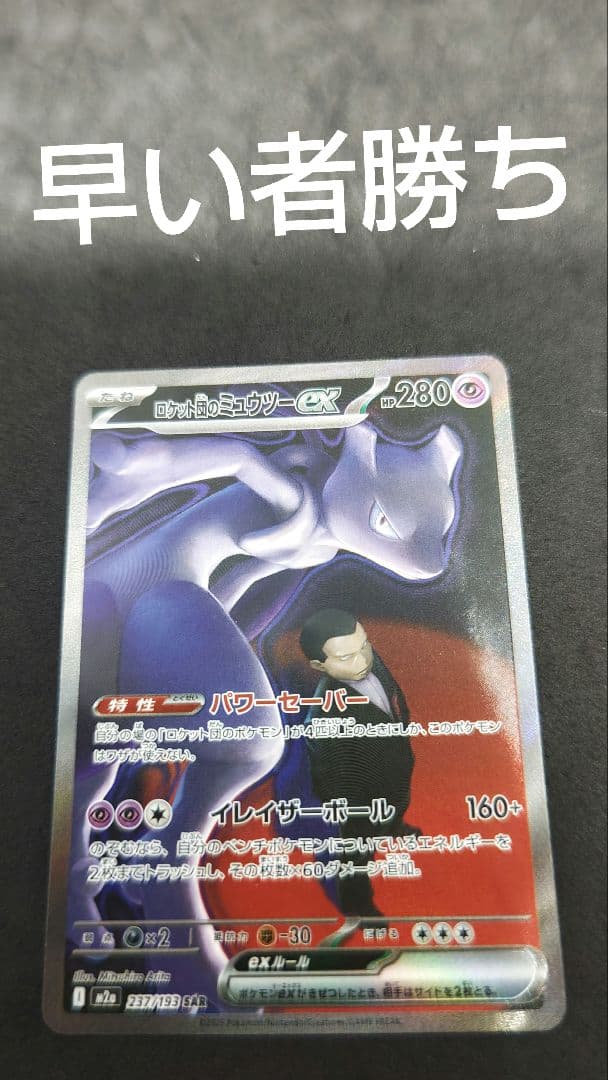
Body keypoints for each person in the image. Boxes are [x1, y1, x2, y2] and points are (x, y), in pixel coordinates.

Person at [299, 608, 419, 917]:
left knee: (397, 803)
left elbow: (393, 694)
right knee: (356, 851)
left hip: (394, 764)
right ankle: (357, 904)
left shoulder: (368, 659)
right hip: (359, 798)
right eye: (345, 657)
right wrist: (354, 811)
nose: (363, 659)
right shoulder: (323, 716)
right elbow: (330, 775)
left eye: (364, 645)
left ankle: (393, 826)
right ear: (319, 665)